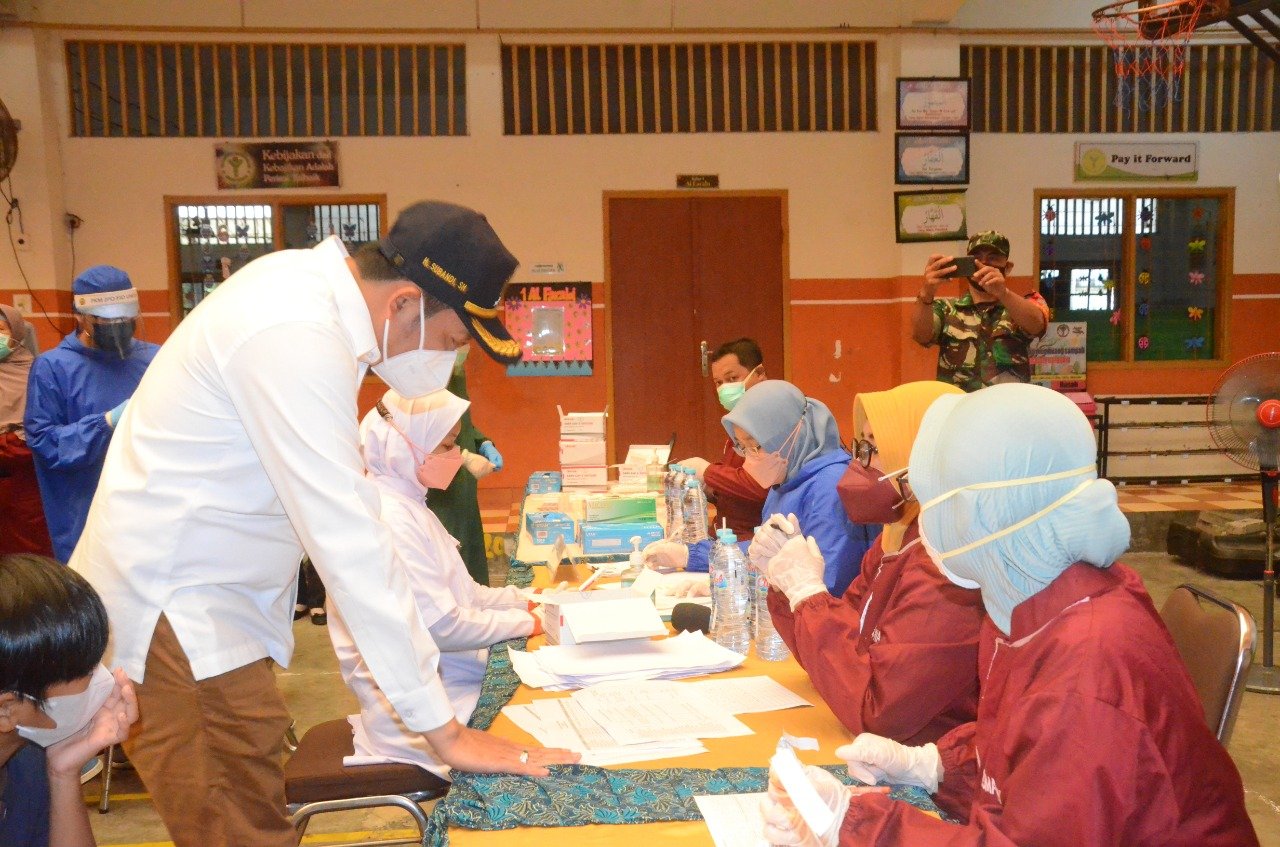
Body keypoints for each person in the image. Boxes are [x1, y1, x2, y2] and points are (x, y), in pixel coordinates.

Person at [71, 201, 576, 847]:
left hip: (207, 610)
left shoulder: (304, 301)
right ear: (402, 303)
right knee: (241, 825)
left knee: (249, 801)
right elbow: (351, 544)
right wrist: (444, 732)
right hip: (180, 615)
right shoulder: (295, 330)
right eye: (451, 342)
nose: (445, 364)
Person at [761, 383, 1258, 847]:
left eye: (937, 505)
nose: (925, 524)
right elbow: (1022, 747)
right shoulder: (1040, 604)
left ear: (990, 513)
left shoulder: (1085, 668)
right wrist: (936, 764)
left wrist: (856, 825)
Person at [332, 388, 540, 778]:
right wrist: (531, 622)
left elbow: (467, 594)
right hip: (427, 715)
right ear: (403, 445)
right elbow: (443, 626)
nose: (455, 456)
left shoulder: (409, 503)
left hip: (447, 683)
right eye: (446, 446)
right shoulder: (391, 518)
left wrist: (527, 600)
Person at [763, 381, 983, 745]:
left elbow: (881, 712)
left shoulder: (947, 564)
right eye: (859, 447)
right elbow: (837, 660)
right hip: (876, 741)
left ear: (925, 458)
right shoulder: (895, 535)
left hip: (921, 756)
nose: (859, 464)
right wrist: (789, 590)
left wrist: (808, 595)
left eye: (875, 449)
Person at [645, 380, 878, 597]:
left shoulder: (831, 486)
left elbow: (827, 582)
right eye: (742, 446)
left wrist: (738, 586)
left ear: (789, 435)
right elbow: (762, 551)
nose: (749, 457)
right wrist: (691, 555)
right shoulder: (787, 477)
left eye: (755, 445)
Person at [0, 554, 139, 847]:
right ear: (7, 709)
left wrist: (63, 773)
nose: (104, 679)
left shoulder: (28, 761)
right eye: (85, 672)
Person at [25, 266, 160, 562]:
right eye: (106, 320)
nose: (118, 326)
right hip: (87, 507)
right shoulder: (54, 368)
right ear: (79, 315)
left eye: (125, 318)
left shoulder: (155, 359)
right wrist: (105, 423)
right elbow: (45, 443)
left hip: (150, 506)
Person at [912, 230, 1049, 392]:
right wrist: (926, 292)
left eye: (993, 258)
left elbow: (1037, 324)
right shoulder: (946, 309)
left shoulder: (1022, 306)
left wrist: (1003, 293)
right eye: (976, 258)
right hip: (959, 405)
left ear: (1007, 267)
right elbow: (921, 336)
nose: (983, 264)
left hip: (1007, 405)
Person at [675, 337, 769, 538]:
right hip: (725, 535)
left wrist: (708, 472)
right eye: (718, 382)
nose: (724, 388)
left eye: (732, 378)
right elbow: (739, 490)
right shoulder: (736, 426)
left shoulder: (775, 421)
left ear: (760, 373)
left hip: (751, 541)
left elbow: (762, 486)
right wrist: (710, 490)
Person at [426, 349, 505, 586]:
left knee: (472, 560)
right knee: (451, 565)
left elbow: (462, 424)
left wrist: (482, 442)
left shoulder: (455, 373)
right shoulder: (423, 378)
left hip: (464, 491)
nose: (464, 348)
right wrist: (464, 456)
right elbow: (418, 436)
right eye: (458, 341)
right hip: (441, 492)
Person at [0, 304, 53, 557]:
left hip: (25, 486)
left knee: (28, 558)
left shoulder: (39, 372)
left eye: (1, 329)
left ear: (17, 332)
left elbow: (46, 430)